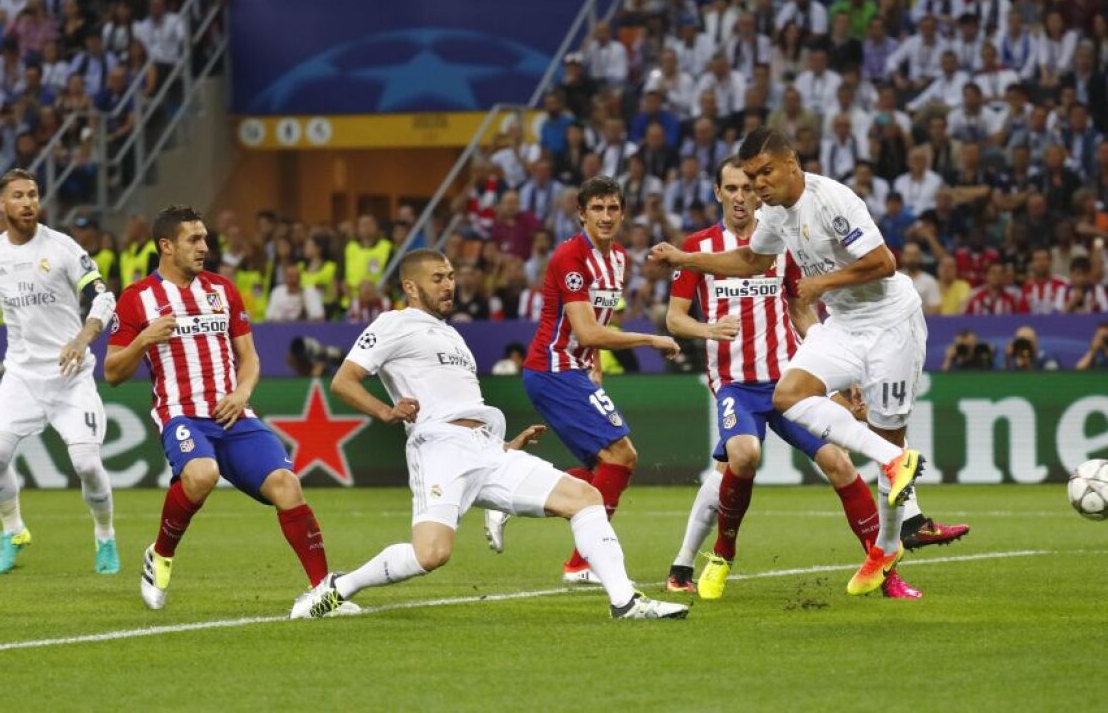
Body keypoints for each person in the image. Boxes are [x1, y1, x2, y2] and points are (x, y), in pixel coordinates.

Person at [292, 249, 687, 621]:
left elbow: (462, 404)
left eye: (450, 277)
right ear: (411, 287)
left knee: (585, 497)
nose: (449, 285)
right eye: (437, 279)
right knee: (431, 554)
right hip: (440, 450)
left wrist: (504, 445)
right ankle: (338, 587)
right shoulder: (394, 324)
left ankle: (625, 601)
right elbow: (344, 381)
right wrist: (386, 410)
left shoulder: (453, 336)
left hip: (487, 450)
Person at [650, 127, 927, 597]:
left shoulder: (797, 220)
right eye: (738, 185)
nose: (750, 191)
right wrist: (692, 280)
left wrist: (837, 381)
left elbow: (803, 307)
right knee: (742, 457)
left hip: (789, 369)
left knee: (840, 463)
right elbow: (684, 312)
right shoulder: (704, 245)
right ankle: (712, 557)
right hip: (737, 382)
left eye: (756, 179)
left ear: (788, 165)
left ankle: (887, 572)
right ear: (718, 192)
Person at [104, 205, 336, 611]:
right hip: (182, 414)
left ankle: (324, 591)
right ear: (166, 246)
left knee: (287, 485)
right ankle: (160, 556)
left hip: (234, 416)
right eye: (193, 239)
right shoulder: (138, 299)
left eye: (205, 238)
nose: (204, 247)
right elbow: (112, 372)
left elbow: (250, 357)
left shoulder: (222, 290)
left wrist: (243, 392)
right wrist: (143, 340)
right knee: (202, 473)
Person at [0, 169, 119, 576]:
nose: (27, 202)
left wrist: (82, 339)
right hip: (21, 377)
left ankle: (105, 537)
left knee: (88, 465)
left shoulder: (65, 248)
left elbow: (104, 299)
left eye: (33, 194)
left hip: (71, 376)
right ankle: (12, 531)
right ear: (1, 204)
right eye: (17, 196)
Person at [499, 176, 681, 586]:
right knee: (622, 455)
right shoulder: (570, 258)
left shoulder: (617, 258)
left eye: (613, 208)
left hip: (573, 370)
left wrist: (594, 366)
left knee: (606, 466)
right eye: (597, 208)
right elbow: (588, 331)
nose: (605, 216)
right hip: (552, 368)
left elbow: (595, 325)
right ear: (581, 213)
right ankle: (583, 562)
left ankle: (510, 498)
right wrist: (650, 338)